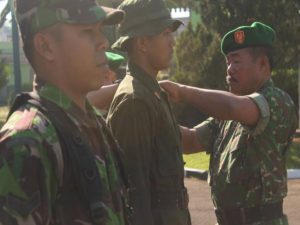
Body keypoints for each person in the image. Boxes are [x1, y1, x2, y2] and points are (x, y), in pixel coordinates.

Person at [0, 0, 130, 224]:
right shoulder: (26, 143)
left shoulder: (91, 122)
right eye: (88, 31)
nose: (103, 42)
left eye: (100, 30)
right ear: (46, 47)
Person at [160, 22, 297, 225]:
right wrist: (152, 113)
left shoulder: (277, 101)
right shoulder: (225, 117)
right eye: (228, 62)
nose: (229, 69)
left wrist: (181, 91)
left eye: (237, 62)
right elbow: (189, 140)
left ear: (262, 65)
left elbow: (234, 108)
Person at [106, 0, 191, 225]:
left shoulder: (151, 92)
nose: (173, 42)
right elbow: (135, 194)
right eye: (165, 34)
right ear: (143, 42)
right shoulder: (135, 100)